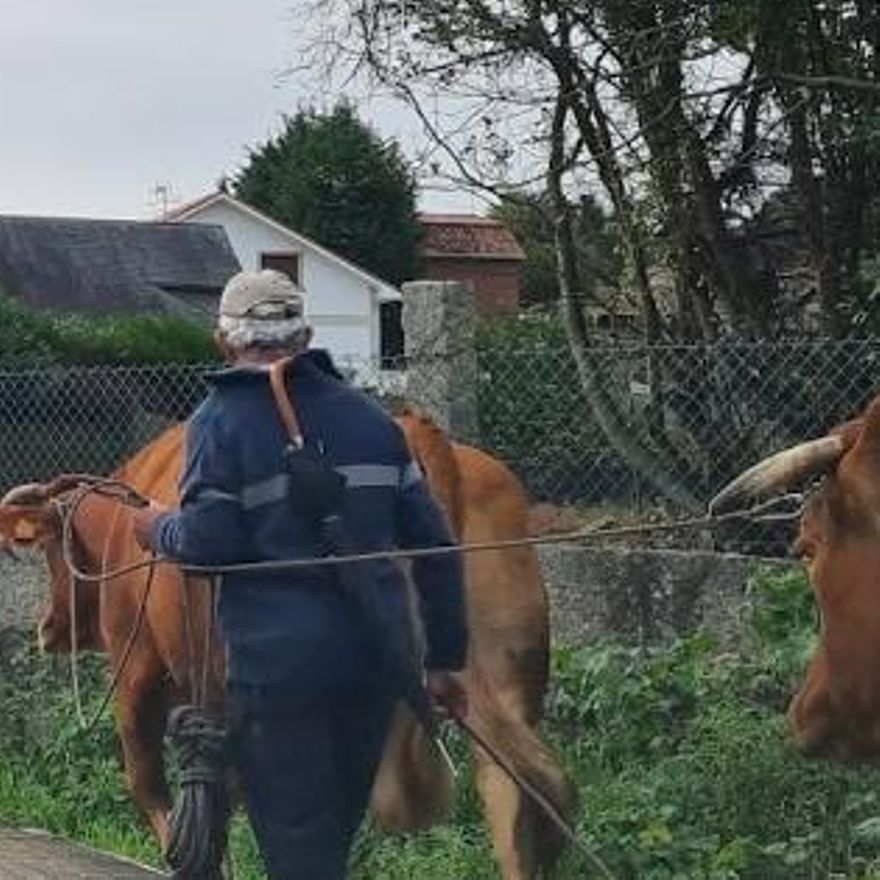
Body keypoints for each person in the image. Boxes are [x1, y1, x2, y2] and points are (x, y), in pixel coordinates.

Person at [132, 268, 469, 880]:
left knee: (296, 847)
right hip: (374, 662)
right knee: (329, 839)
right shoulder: (374, 421)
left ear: (224, 341)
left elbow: (210, 542)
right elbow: (436, 547)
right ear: (307, 336)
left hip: (279, 671)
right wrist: (444, 662)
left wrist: (155, 527)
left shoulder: (219, 421)